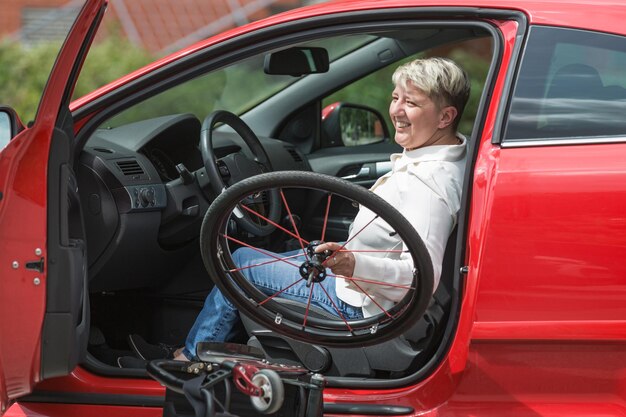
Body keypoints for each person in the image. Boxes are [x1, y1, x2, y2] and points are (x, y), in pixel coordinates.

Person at [123, 57, 470, 365]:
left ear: (445, 116)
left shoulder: (429, 186)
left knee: (240, 263)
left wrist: (354, 264)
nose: (396, 110)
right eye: (395, 97)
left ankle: (191, 357)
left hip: (362, 305)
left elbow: (420, 277)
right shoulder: (447, 157)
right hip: (365, 289)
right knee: (278, 252)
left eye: (411, 103)